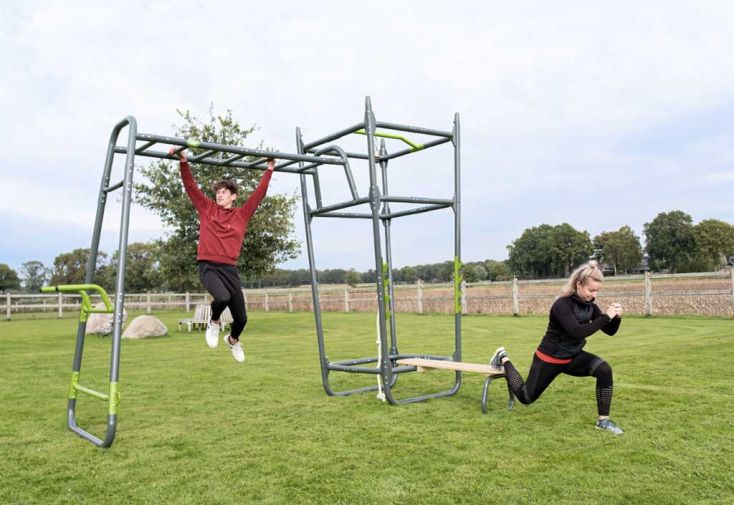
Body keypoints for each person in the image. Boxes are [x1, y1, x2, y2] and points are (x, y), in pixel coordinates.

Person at [489, 260, 625, 434]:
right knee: (525, 397)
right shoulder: (562, 305)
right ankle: (503, 357)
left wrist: (617, 318)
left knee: (604, 370)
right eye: (591, 290)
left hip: (572, 357)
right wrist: (606, 316)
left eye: (597, 291)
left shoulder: (590, 306)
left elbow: (610, 331)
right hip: (549, 359)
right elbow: (576, 332)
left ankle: (603, 422)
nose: (594, 295)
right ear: (578, 284)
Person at [170, 147, 274, 363]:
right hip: (208, 266)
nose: (219, 194)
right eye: (218, 192)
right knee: (223, 298)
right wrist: (183, 161)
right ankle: (214, 322)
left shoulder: (242, 215)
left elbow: (259, 194)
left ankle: (233, 340)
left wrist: (270, 168)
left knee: (242, 319)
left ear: (233, 196)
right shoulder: (207, 208)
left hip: (230, 269)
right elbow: (191, 187)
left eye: (224, 192)